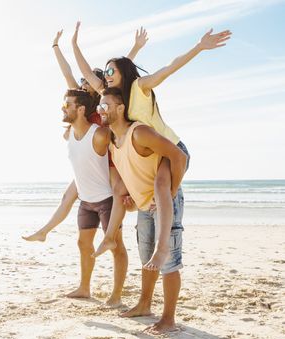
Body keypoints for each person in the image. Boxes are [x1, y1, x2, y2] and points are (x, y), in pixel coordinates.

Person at [72, 22, 231, 269]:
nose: (106, 74)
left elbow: (168, 68)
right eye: (106, 71)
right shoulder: (111, 97)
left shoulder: (140, 87)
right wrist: (74, 45)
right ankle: (110, 238)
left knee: (161, 185)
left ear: (123, 73)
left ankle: (163, 245)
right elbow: (89, 73)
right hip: (148, 154)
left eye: (111, 71)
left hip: (171, 148)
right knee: (121, 189)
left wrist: (199, 47)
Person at [22, 27, 148, 244]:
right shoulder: (83, 105)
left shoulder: (104, 101)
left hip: (109, 161)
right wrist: (55, 47)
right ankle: (44, 231)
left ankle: (141, 212)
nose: (82, 83)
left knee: (123, 193)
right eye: (82, 82)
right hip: (91, 163)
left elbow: (118, 73)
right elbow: (67, 73)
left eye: (87, 81)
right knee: (67, 197)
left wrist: (135, 48)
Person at [98, 87, 188, 333]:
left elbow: (179, 156)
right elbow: (134, 175)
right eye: (98, 106)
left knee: (167, 260)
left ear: (120, 108)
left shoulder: (138, 133)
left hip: (164, 201)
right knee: (146, 259)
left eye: (105, 105)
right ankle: (144, 305)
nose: (100, 110)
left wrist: (169, 193)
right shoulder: (113, 143)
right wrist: (132, 199)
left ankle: (168, 319)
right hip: (145, 204)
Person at [29, 89, 128, 307]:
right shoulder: (69, 136)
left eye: (67, 105)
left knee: (117, 247)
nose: (63, 108)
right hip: (86, 201)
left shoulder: (100, 134)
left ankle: (117, 295)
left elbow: (123, 153)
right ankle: (84, 288)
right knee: (83, 243)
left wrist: (130, 189)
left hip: (106, 200)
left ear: (81, 109)